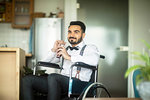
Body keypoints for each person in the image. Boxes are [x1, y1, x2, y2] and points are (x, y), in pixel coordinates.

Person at [21, 21, 100, 100]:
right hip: (58, 82)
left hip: (78, 83)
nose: (72, 35)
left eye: (76, 32)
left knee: (54, 77)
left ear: (83, 35)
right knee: (27, 80)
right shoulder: (66, 49)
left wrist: (69, 57)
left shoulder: (90, 48)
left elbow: (94, 61)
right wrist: (54, 50)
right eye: (69, 32)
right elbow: (43, 62)